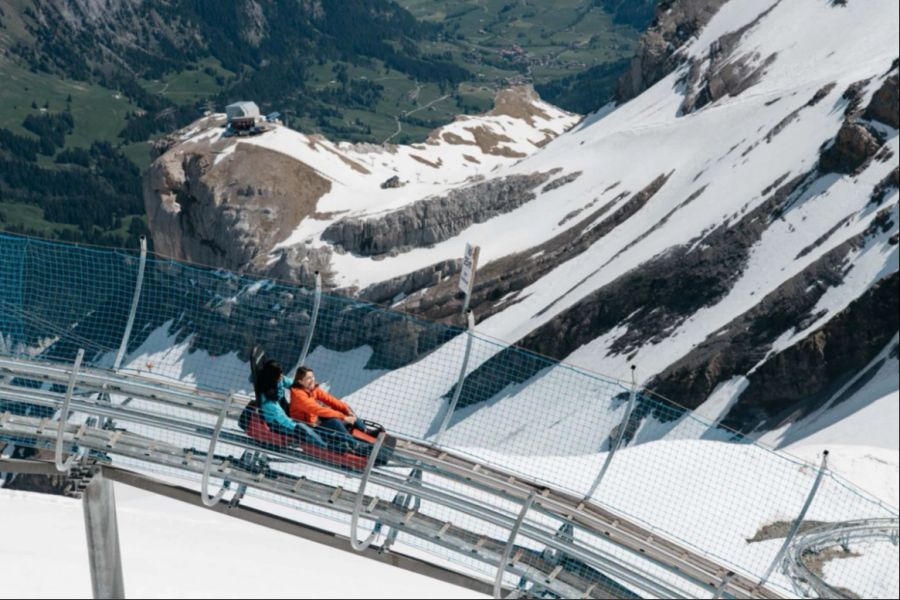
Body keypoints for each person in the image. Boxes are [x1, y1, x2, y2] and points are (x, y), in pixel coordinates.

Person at [289, 366, 368, 453]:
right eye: (308, 378)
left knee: (343, 411)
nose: (312, 380)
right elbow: (318, 410)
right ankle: (356, 445)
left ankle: (366, 431)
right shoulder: (298, 396)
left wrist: (346, 409)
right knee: (335, 421)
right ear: (300, 381)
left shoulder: (312, 389)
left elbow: (331, 400)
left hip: (316, 422)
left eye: (312, 376)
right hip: (308, 429)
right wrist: (343, 417)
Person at [255, 359, 326, 449]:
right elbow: (284, 420)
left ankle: (324, 438)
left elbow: (290, 383)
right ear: (273, 378)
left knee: (308, 422)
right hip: (279, 425)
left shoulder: (276, 380)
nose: (281, 376)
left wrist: (305, 388)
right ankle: (325, 447)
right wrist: (298, 427)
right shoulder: (269, 403)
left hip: (284, 415)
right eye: (279, 375)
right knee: (306, 430)